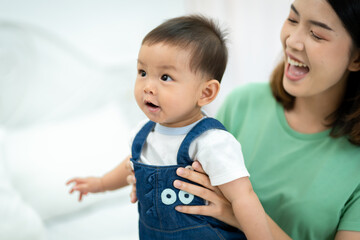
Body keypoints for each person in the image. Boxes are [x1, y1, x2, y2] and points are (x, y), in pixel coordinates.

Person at [125, 0, 360, 239]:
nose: (292, 41)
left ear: (357, 58)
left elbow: (235, 199)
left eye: (317, 34)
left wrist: (236, 214)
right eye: (292, 19)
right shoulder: (242, 104)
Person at [66, 15, 273, 240]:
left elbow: (244, 199)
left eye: (165, 77)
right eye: (142, 72)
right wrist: (101, 183)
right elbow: (130, 165)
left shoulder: (210, 142)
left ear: (206, 93)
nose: (148, 87)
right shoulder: (143, 135)